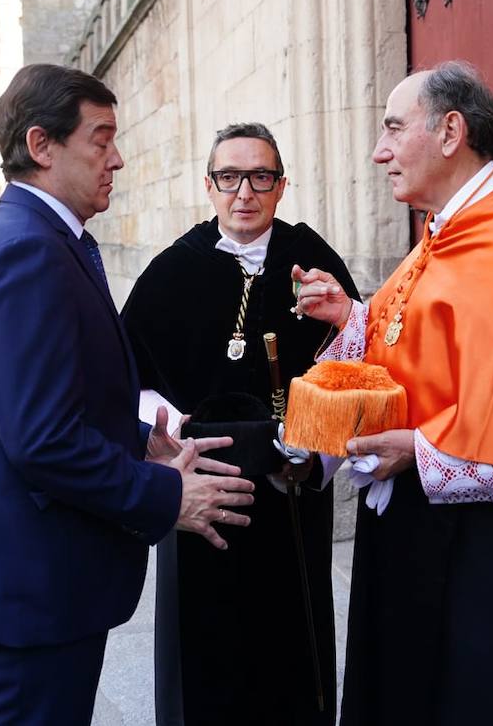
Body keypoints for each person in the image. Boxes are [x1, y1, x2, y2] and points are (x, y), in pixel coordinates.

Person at [295, 62, 493, 725]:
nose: (379, 150)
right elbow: (430, 346)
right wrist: (353, 318)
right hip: (418, 533)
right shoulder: (445, 231)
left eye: (392, 128)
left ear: (451, 131)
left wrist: (416, 449)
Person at [0, 63, 256, 725]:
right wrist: (168, 495)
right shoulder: (24, 251)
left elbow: (47, 399)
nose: (119, 159)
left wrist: (141, 440)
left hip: (47, 578)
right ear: (43, 145)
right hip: (28, 581)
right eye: (101, 140)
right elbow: (40, 440)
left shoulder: (48, 239)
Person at [122, 122, 358, 726]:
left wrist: (316, 456)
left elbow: (353, 368)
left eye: (260, 177)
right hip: (199, 489)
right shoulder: (173, 270)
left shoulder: (315, 263)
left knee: (291, 647)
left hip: (290, 489)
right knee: (204, 652)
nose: (244, 192)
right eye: (229, 177)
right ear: (209, 185)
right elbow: (131, 375)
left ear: (282, 186)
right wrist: (169, 439)